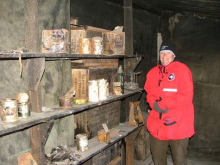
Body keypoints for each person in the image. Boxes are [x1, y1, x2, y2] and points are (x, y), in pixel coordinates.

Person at [144, 40, 194, 165]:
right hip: (158, 124)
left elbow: (186, 96)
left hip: (178, 124)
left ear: (174, 55)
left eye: (168, 53)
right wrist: (153, 103)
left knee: (179, 160)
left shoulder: (182, 70)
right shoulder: (153, 73)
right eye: (162, 53)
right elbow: (149, 92)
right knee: (158, 159)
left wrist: (163, 104)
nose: (164, 56)